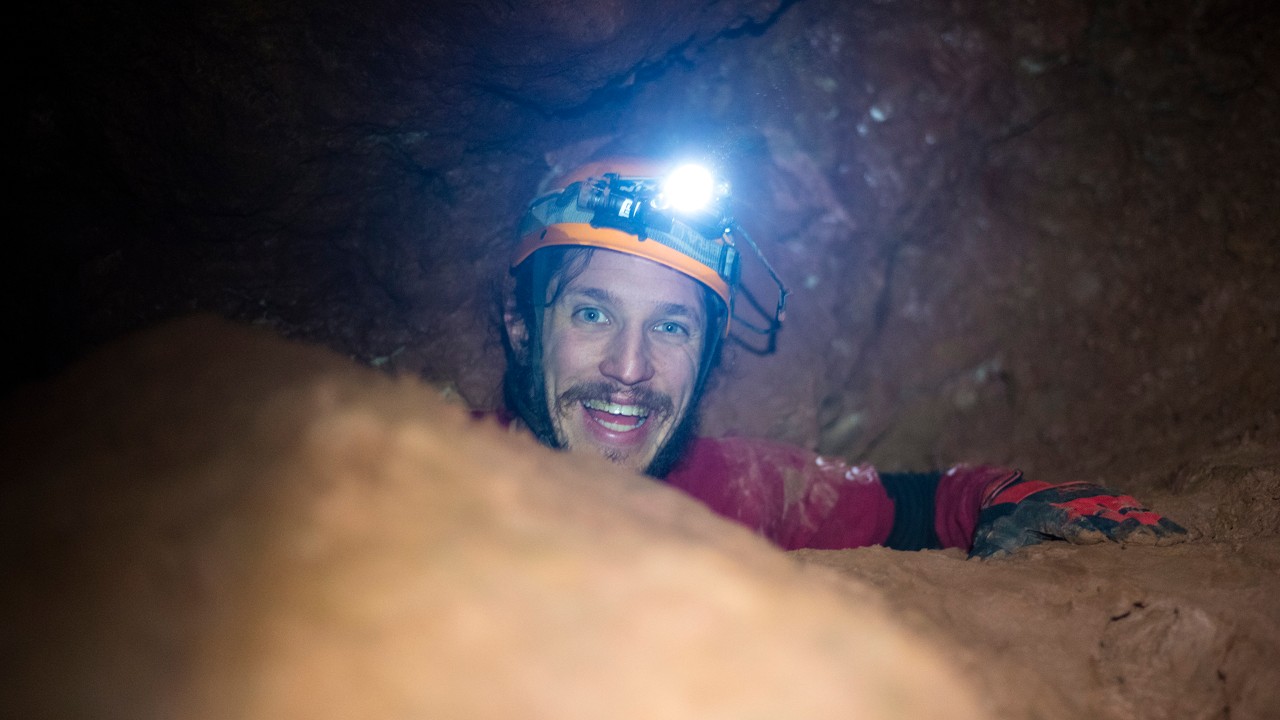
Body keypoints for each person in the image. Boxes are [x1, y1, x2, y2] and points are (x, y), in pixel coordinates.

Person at [493, 153, 1186, 557]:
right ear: (522, 325)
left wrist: (1006, 497)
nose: (629, 368)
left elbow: (916, 502)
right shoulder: (413, 480)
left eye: (671, 329)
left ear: (706, 357)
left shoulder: (732, 488)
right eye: (592, 314)